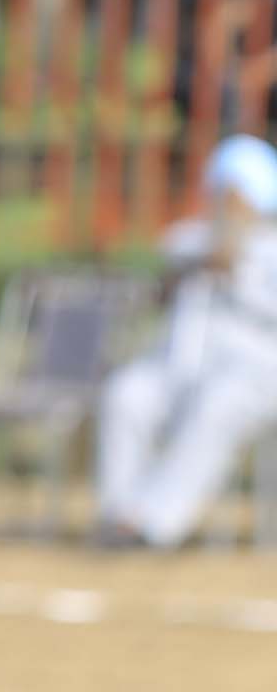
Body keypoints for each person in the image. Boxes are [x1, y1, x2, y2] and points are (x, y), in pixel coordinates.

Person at [100, 139, 277, 547]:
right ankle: (118, 514)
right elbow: (170, 269)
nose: (229, 203)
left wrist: (238, 274)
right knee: (126, 394)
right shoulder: (189, 240)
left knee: (217, 406)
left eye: (239, 193)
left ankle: (154, 524)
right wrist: (210, 257)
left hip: (251, 378)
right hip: (175, 369)